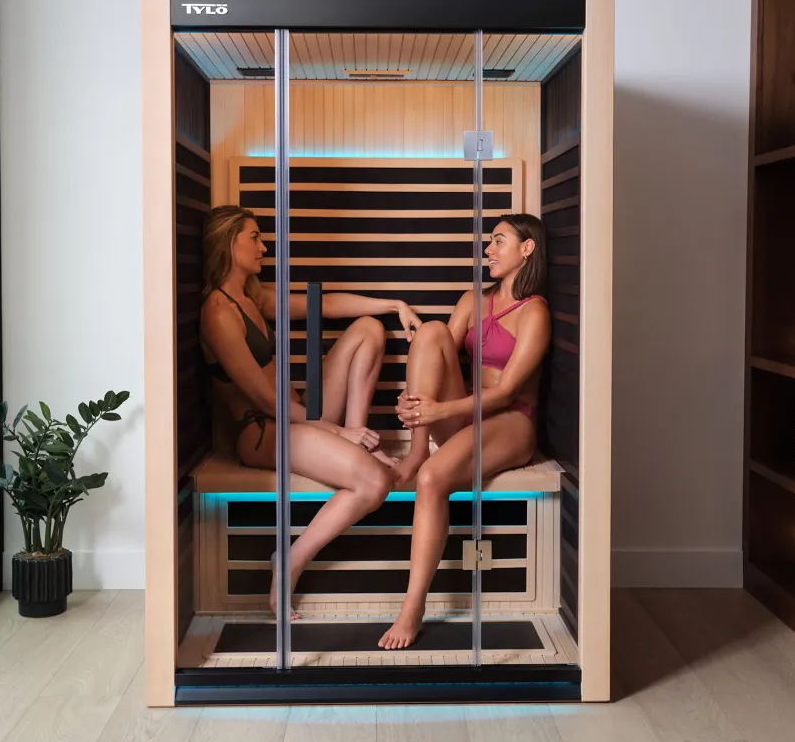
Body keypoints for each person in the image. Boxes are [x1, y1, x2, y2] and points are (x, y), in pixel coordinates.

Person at [199, 204, 422, 619]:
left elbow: (327, 304)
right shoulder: (218, 312)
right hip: (264, 429)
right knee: (374, 482)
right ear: (229, 243)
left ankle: (359, 436)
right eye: (254, 237)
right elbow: (265, 402)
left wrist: (394, 304)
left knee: (369, 329)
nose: (264, 247)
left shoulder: (252, 296)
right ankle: (288, 561)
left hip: (297, 413)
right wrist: (334, 434)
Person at [378, 213, 549, 650]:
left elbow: (508, 390)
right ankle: (417, 451)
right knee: (432, 331)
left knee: (434, 479)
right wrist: (415, 403)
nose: (488, 250)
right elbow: (434, 355)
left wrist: (438, 408)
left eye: (498, 242)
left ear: (527, 249)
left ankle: (412, 606)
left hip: (511, 420)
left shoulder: (535, 313)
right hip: (463, 410)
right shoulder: (473, 299)